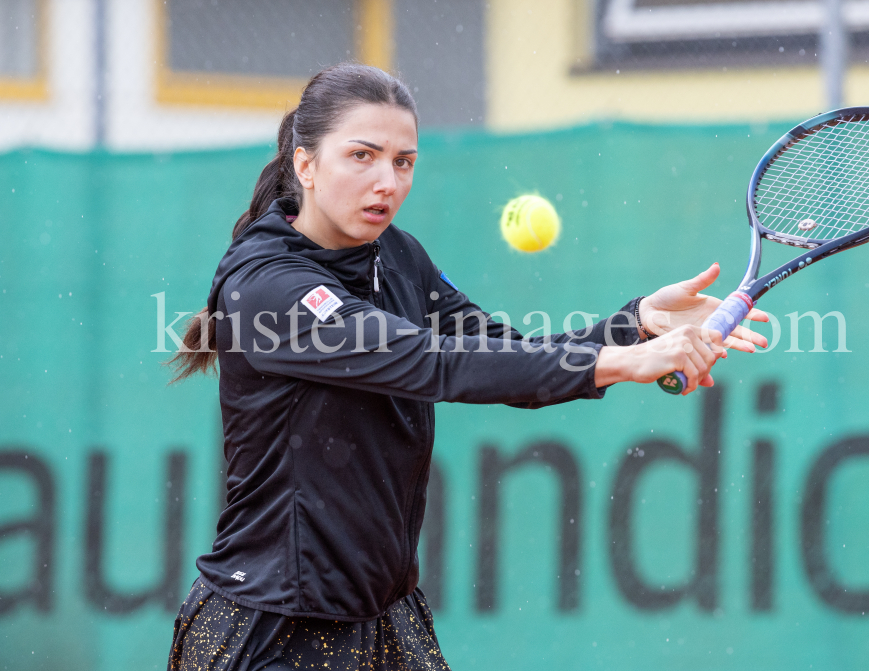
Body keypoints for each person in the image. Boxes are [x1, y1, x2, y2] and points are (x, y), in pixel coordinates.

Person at [165, 63, 767, 671]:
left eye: (403, 162)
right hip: (272, 632)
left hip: (386, 621)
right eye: (362, 156)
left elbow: (498, 350)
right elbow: (432, 361)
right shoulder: (268, 287)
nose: (387, 182)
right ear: (305, 165)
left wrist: (632, 323)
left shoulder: (399, 257)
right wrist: (625, 362)